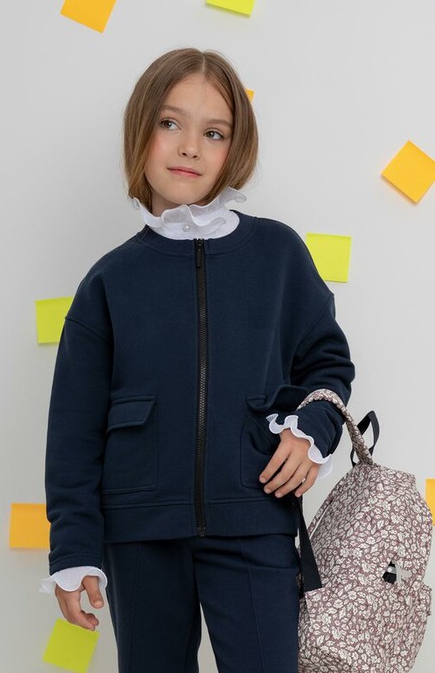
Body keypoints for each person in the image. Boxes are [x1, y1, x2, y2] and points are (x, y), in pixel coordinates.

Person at [42, 48, 355, 673]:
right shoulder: (109, 280)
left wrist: (312, 430)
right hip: (139, 531)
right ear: (141, 131)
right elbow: (73, 429)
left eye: (214, 133)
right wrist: (73, 548)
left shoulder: (278, 254)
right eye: (170, 123)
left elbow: (328, 363)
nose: (190, 147)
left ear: (234, 149)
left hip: (255, 515)